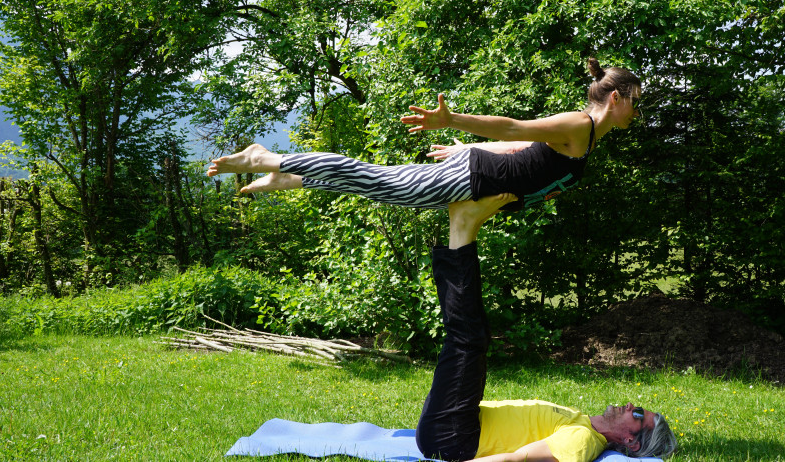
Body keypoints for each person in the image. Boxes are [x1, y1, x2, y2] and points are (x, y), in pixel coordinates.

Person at [417, 193, 677, 462]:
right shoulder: (581, 421)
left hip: (453, 435)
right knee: (475, 333)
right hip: (461, 418)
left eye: (638, 414)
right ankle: (463, 227)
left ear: (631, 442)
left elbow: (515, 459)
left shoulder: (583, 439)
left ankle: (462, 225)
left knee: (469, 339)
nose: (632, 406)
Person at [206, 58, 642, 211]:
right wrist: (455, 122)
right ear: (617, 98)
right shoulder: (577, 126)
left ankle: (292, 177)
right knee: (376, 180)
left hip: (477, 175)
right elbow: (515, 127)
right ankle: (265, 158)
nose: (636, 113)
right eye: (635, 102)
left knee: (376, 184)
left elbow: (520, 149)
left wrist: (469, 145)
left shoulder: (586, 140)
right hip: (471, 179)